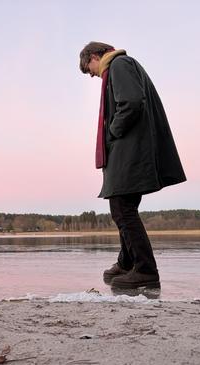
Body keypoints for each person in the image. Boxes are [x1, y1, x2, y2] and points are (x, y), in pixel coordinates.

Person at [79, 42, 186, 289]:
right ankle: (127, 263)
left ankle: (145, 270)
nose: (93, 75)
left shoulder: (119, 64)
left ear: (95, 56)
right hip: (129, 149)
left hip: (130, 149)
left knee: (122, 207)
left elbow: (131, 102)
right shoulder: (121, 66)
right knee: (122, 206)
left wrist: (112, 132)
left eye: (90, 69)